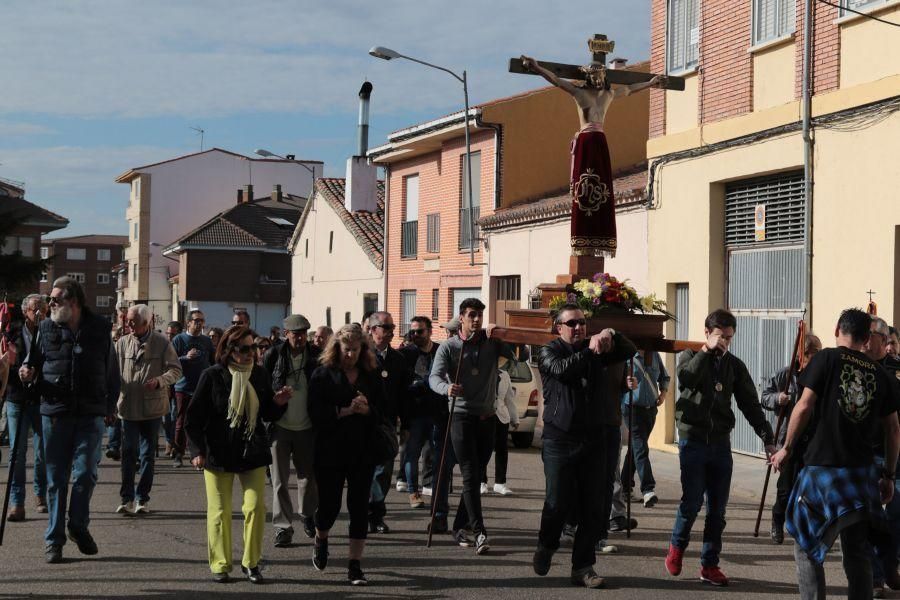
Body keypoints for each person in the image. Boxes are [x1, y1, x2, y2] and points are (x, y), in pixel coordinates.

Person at [771, 309, 899, 600]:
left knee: (805, 546)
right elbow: (893, 429)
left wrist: (786, 449)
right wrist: (889, 475)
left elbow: (803, 406)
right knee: (857, 552)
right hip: (861, 475)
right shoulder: (882, 375)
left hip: (821, 471)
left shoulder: (826, 358)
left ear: (836, 329)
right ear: (867, 339)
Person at [665, 309, 775, 587]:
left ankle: (710, 564)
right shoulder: (690, 356)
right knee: (691, 502)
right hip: (693, 439)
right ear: (707, 333)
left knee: (717, 509)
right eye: (719, 336)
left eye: (728, 337)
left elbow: (750, 404)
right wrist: (705, 351)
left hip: (720, 443)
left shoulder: (734, 366)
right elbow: (686, 380)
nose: (724, 342)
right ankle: (677, 548)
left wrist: (767, 436)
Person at [531, 303, 636, 588]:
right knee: (558, 502)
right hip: (559, 439)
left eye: (582, 323)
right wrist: (590, 350)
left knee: (594, 505)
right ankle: (546, 545)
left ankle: (583, 566)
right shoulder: (549, 351)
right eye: (572, 324)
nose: (578, 328)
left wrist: (610, 331)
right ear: (559, 328)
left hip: (593, 438)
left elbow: (629, 350)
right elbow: (562, 371)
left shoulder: (598, 350)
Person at [18, 276, 121, 563]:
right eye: (50, 300)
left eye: (55, 299)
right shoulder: (46, 328)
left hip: (90, 413)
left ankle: (77, 525)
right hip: (55, 413)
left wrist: (110, 404)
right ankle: (54, 539)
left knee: (86, 474)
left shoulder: (100, 328)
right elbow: (32, 363)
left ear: (73, 301)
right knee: (56, 480)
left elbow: (111, 371)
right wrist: (25, 372)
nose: (50, 304)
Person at [520, 55, 664, 258]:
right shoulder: (579, 93)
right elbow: (556, 80)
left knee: (601, 185)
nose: (598, 79)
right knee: (584, 186)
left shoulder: (608, 94)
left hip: (598, 141)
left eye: (600, 75)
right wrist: (537, 67)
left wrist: (650, 83)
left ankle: (597, 234)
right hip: (587, 141)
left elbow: (630, 89)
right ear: (588, 76)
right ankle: (583, 239)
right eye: (595, 75)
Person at [185, 325, 290, 583]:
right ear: (230, 350)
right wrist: (197, 451)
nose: (251, 353)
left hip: (251, 451)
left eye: (253, 347)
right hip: (218, 454)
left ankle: (251, 563)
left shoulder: (260, 375)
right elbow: (193, 417)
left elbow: (266, 413)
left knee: (255, 507)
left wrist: (277, 404)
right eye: (244, 348)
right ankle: (221, 564)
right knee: (220, 511)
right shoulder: (212, 376)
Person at [429, 298, 514, 555]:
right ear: (462, 318)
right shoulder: (449, 347)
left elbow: (514, 353)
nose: (476, 319)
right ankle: (480, 533)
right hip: (461, 417)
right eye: (472, 315)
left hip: (487, 418)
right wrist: (447, 389)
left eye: (480, 315)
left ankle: (458, 527)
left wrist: (499, 333)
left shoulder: (491, 343)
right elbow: (434, 377)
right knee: (469, 474)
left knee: (476, 475)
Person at [308, 324, 387, 586]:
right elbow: (315, 413)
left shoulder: (372, 376)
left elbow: (384, 413)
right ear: (336, 348)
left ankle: (355, 565)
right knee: (329, 507)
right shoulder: (322, 375)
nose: (351, 355)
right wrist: (345, 411)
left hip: (362, 450)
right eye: (346, 350)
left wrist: (367, 411)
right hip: (330, 450)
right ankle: (321, 537)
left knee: (359, 508)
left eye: (355, 350)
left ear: (363, 349)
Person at [114, 304, 182, 515]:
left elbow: (176, 370)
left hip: (152, 408)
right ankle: (126, 499)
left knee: (147, 455)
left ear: (147, 323)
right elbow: (112, 373)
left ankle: (142, 498)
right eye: (127, 322)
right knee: (128, 452)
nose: (129, 326)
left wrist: (161, 380)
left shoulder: (162, 343)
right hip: (128, 407)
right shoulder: (122, 343)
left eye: (133, 323)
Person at [262, 314, 320, 548]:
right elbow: (264, 388)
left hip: (308, 426)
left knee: (308, 477)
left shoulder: (316, 356)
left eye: (304, 333)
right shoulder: (273, 355)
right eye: (295, 334)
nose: (300, 337)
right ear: (286, 334)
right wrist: (273, 403)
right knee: (280, 480)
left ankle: (307, 515)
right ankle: (283, 527)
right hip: (280, 426)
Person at [761, 332, 822, 544]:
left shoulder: (821, 377)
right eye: (810, 354)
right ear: (800, 355)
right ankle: (777, 519)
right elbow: (764, 397)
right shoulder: (785, 375)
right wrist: (779, 398)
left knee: (810, 489)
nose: (814, 359)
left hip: (813, 441)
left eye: (818, 354)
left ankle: (805, 528)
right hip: (788, 439)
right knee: (786, 489)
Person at [863, 317, 900, 596]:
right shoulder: (857, 369)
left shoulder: (895, 373)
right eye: (883, 339)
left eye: (891, 340)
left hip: (895, 456)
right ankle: (875, 577)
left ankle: (889, 569)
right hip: (868, 456)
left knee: (895, 517)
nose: (888, 345)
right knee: (873, 519)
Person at [4, 293, 48, 521]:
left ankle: (40, 495)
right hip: (17, 398)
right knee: (17, 453)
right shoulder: (11, 332)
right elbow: (4, 364)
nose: (39, 312)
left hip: (41, 399)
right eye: (35, 309)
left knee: (42, 452)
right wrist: (17, 371)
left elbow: (55, 362)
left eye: (43, 308)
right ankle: (16, 502)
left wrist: (37, 374)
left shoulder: (51, 332)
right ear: (25, 311)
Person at [366, 311, 410, 533]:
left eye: (393, 328)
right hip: (363, 422)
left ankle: (376, 514)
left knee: (383, 471)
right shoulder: (362, 356)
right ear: (373, 330)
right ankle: (362, 512)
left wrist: (406, 425)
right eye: (386, 327)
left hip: (387, 423)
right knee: (364, 470)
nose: (391, 332)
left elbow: (403, 394)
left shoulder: (398, 359)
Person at [399, 316, 442, 509]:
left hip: (436, 411)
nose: (415, 335)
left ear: (430, 331)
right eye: (413, 332)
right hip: (413, 413)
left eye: (420, 331)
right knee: (411, 454)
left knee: (435, 453)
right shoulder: (405, 354)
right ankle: (412, 491)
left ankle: (433, 489)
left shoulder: (440, 350)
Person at [620, 350, 670, 509]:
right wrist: (625, 384)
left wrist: (663, 394)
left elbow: (664, 377)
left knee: (636, 449)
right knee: (641, 447)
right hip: (632, 409)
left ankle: (625, 488)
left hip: (650, 410)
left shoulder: (654, 355)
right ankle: (648, 489)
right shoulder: (626, 358)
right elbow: (616, 382)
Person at [172, 310, 215, 468]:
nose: (199, 323)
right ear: (188, 322)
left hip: (201, 388)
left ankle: (198, 454)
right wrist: (185, 358)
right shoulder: (179, 339)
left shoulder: (206, 341)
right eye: (196, 320)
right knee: (181, 422)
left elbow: (213, 361)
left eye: (202, 320)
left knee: (201, 422)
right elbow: (169, 361)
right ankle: (178, 453)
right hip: (183, 387)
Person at [481, 362, 519, 495]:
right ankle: (481, 482)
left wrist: (515, 419)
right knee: (483, 449)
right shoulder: (481, 371)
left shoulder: (505, 375)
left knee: (502, 450)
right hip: (484, 415)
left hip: (502, 416)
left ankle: (500, 483)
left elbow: (509, 398)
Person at [162, 321, 183, 457]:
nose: (169, 336)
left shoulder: (181, 344)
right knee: (165, 418)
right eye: (168, 333)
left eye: (173, 334)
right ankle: (168, 441)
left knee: (175, 416)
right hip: (165, 385)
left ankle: (174, 443)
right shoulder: (163, 345)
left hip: (178, 386)